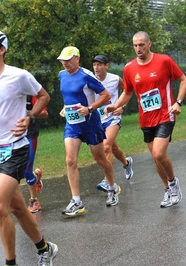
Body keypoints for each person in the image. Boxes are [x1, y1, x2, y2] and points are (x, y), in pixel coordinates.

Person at [0, 29, 57, 266]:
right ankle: (45, 248)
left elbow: (44, 96)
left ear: (2, 49)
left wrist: (30, 116)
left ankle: (11, 263)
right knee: (19, 208)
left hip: (15, 148)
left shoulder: (18, 76)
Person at [107, 31, 186, 208]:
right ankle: (168, 189)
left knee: (159, 153)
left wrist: (178, 102)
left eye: (141, 45)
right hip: (146, 119)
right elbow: (128, 92)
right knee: (155, 158)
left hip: (166, 114)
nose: (138, 48)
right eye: (135, 45)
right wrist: (116, 105)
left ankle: (173, 183)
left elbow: (183, 80)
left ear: (149, 44)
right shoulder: (129, 68)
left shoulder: (164, 61)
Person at [57, 46, 120, 215]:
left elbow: (106, 95)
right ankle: (76, 201)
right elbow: (68, 96)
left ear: (77, 58)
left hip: (90, 123)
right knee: (70, 160)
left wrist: (90, 108)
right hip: (72, 124)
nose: (65, 63)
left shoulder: (87, 76)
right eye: (63, 60)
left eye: (68, 60)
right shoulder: (61, 75)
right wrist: (65, 107)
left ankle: (112, 187)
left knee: (100, 159)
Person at [91, 55, 134, 193]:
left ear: (107, 65)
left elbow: (128, 91)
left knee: (107, 146)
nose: (96, 67)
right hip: (97, 119)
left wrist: (122, 107)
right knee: (114, 149)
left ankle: (106, 180)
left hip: (113, 117)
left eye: (99, 64)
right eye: (94, 65)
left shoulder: (115, 79)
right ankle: (126, 163)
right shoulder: (90, 80)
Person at [25, 96, 48, 213]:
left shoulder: (30, 91)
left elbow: (44, 113)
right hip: (10, 135)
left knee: (26, 169)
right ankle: (35, 178)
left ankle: (34, 201)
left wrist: (28, 113)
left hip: (29, 134)